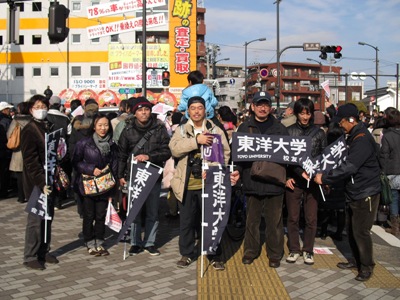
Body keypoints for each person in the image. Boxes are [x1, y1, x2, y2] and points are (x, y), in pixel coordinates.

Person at [314, 103, 381, 282]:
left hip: (365, 191)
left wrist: (325, 178)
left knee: (361, 231)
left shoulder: (361, 139)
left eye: (342, 121)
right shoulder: (353, 136)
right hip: (354, 190)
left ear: (352, 120)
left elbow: (349, 167)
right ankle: (356, 260)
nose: (340, 125)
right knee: (351, 229)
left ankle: (366, 266)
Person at [169, 96, 237, 270]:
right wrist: (195, 141)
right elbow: (174, 149)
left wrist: (214, 170)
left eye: (200, 108)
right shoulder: (182, 129)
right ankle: (187, 253)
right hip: (186, 184)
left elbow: (225, 154)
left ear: (205, 110)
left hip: (209, 184)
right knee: (186, 221)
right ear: (188, 111)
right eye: (193, 108)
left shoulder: (215, 129)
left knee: (211, 220)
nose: (197, 111)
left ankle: (214, 254)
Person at [236, 91, 289, 268]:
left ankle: (275, 254)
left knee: (274, 221)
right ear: (252, 107)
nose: (262, 108)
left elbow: (289, 155)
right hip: (252, 181)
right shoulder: (245, 127)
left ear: (270, 107)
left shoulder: (280, 128)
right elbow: (238, 156)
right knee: (252, 220)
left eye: (265, 104)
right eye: (259, 104)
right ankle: (250, 251)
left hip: (274, 182)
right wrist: (236, 171)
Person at [118, 97, 171, 256]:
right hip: (134, 176)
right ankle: (135, 242)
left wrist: (148, 156)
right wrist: (121, 175)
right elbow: (121, 154)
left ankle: (150, 242)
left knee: (153, 212)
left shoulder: (159, 129)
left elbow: (167, 152)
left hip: (153, 175)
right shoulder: (127, 130)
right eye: (140, 110)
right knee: (135, 210)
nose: (143, 113)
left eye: (146, 109)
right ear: (134, 113)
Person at [285, 98, 327, 265]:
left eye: (308, 113)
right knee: (293, 217)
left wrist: (320, 175)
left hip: (313, 181)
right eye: (301, 113)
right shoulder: (288, 132)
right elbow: (284, 158)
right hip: (294, 181)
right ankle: (294, 249)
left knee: (311, 218)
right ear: (296, 113)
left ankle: (308, 250)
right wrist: (288, 177)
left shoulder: (319, 133)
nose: (305, 116)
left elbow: (324, 157)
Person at [21, 94, 58, 270]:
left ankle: (44, 250)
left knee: (48, 217)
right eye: (37, 106)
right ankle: (30, 255)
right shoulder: (29, 129)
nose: (41, 109)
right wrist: (41, 182)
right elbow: (30, 161)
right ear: (31, 110)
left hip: (50, 178)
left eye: (43, 106)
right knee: (36, 219)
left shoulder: (48, 126)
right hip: (38, 182)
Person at [72, 113, 118, 256]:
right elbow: (75, 162)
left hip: (105, 185)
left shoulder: (112, 144)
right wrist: (91, 169)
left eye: (106, 125)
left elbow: (115, 165)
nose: (103, 128)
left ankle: (100, 240)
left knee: (100, 214)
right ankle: (89, 241)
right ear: (94, 127)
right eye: (100, 125)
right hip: (88, 185)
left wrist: (113, 184)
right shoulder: (84, 143)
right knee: (89, 215)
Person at [379, 108, 400, 235]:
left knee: (393, 198)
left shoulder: (387, 136)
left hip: (392, 170)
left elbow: (384, 156)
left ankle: (395, 226)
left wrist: (383, 172)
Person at [7, 102, 31, 203]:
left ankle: (21, 196)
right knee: (30, 175)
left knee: (20, 176)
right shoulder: (32, 120)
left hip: (18, 151)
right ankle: (29, 195)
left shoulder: (16, 121)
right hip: (31, 150)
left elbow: (9, 135)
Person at [0, 101, 14, 199]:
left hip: (3, 149)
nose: (10, 111)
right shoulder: (6, 121)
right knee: (4, 172)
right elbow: (10, 135)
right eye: (8, 109)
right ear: (4, 110)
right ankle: (3, 191)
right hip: (5, 150)